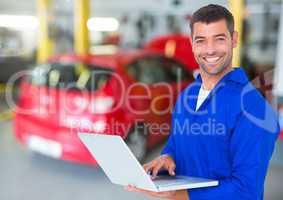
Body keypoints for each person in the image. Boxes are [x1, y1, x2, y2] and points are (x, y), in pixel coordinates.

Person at [125, 4, 280, 200]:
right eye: (201, 40)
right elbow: (176, 141)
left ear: (234, 39)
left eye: (219, 39)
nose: (210, 50)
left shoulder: (254, 108)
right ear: (192, 44)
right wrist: (167, 156)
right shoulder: (187, 95)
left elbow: (246, 190)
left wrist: (181, 195)